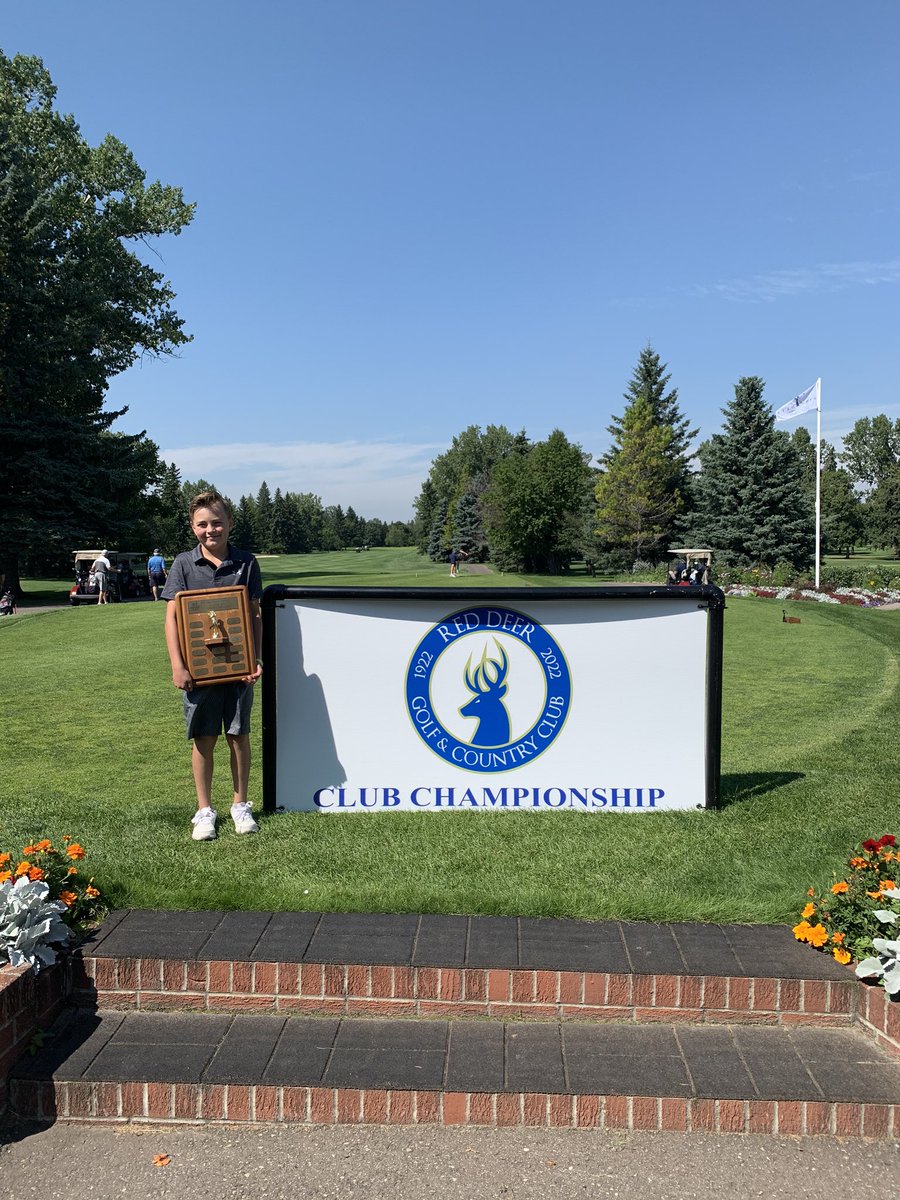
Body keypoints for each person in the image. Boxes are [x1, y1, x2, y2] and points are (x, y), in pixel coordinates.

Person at [162, 491, 263, 841]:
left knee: (238, 735)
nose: (210, 530)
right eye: (202, 524)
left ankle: (240, 804)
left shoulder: (246, 562)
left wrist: (255, 659)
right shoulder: (183, 565)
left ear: (230, 523)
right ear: (193, 527)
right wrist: (178, 665)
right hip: (198, 671)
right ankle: (204, 810)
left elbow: (253, 616)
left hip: (238, 667)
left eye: (217, 522)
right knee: (204, 738)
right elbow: (172, 619)